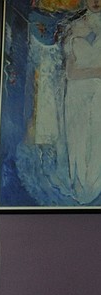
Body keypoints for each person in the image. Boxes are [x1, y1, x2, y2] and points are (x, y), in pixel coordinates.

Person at [64, 0, 101, 203]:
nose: (95, 2)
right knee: (77, 138)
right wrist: (96, 72)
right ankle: (79, 186)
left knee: (97, 139)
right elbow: (70, 73)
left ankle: (94, 187)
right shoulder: (73, 26)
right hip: (76, 93)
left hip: (100, 93)